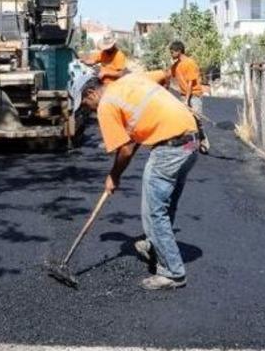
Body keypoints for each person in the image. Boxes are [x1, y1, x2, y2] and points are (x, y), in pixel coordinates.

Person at [73, 71, 199, 290]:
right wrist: (160, 111)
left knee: (154, 212)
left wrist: (114, 176)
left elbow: (126, 148)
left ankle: (172, 272)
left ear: (92, 92)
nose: (87, 108)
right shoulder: (130, 80)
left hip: (170, 149)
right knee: (166, 206)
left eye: (85, 102)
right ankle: (154, 247)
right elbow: (163, 76)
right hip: (191, 143)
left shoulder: (106, 106)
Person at [168, 41, 210, 153]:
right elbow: (168, 76)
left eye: (172, 52)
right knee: (186, 121)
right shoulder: (175, 66)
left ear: (179, 51)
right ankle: (191, 145)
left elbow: (190, 83)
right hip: (184, 95)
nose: (171, 54)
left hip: (194, 95)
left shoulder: (190, 63)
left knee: (197, 120)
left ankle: (203, 142)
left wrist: (187, 100)